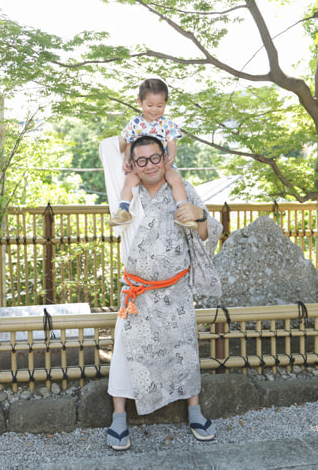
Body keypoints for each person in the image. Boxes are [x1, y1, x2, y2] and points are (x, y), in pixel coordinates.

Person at [106, 136, 222, 451]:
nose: (149, 165)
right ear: (132, 163)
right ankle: (119, 418)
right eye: (140, 159)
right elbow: (107, 148)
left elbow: (211, 233)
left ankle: (194, 411)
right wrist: (137, 129)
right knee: (124, 353)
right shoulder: (126, 194)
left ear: (164, 158)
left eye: (155, 157)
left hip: (176, 291)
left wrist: (198, 217)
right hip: (137, 293)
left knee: (185, 350)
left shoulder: (182, 190)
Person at [109, 78, 197, 229]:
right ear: (140, 102)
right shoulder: (134, 124)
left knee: (176, 179)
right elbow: (130, 143)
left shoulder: (167, 124)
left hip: (162, 163)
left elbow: (171, 142)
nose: (154, 110)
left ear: (166, 103)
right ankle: (123, 210)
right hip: (140, 164)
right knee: (130, 180)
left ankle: (182, 212)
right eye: (149, 105)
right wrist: (128, 159)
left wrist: (171, 157)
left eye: (160, 105)